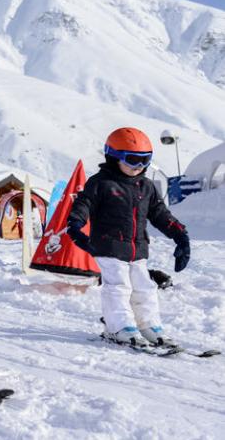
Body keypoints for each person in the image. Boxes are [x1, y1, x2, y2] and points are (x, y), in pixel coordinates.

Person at [67, 127, 190, 347]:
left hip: (137, 248)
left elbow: (160, 214)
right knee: (118, 286)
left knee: (145, 287)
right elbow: (84, 204)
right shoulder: (101, 183)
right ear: (114, 157)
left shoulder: (146, 186)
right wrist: (75, 225)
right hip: (108, 246)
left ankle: (148, 325)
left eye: (145, 160)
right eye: (132, 160)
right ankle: (119, 327)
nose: (139, 166)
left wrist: (180, 235)